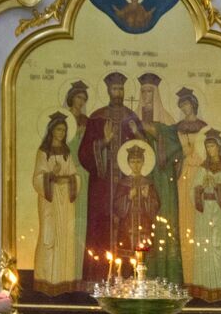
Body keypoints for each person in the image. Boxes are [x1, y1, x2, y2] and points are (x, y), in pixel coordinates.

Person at [79, 71, 143, 281]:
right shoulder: (97, 118)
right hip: (102, 186)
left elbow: (144, 151)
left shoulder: (131, 117)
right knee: (100, 229)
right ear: (108, 90)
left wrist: (138, 134)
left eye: (121, 89)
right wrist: (104, 142)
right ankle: (98, 278)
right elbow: (84, 153)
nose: (118, 92)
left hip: (126, 186)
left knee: (126, 228)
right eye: (115, 89)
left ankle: (127, 278)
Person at [137, 73, 183, 282]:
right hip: (142, 179)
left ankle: (166, 277)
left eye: (150, 91)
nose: (146, 95)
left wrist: (156, 132)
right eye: (143, 91)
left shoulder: (167, 120)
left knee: (164, 226)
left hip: (163, 181)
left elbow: (177, 151)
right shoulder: (134, 118)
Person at [32, 112, 80, 295]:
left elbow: (75, 175)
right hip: (50, 200)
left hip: (66, 199)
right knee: (49, 236)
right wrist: (51, 175)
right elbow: (37, 177)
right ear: (52, 130)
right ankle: (46, 281)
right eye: (59, 129)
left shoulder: (67, 152)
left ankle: (63, 281)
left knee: (65, 237)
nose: (61, 133)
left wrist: (70, 179)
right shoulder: (43, 152)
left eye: (64, 130)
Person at [189, 130, 221, 302]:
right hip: (204, 211)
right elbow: (193, 188)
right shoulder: (203, 168)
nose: (210, 150)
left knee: (217, 246)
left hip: (218, 210)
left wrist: (217, 187)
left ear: (219, 147)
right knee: (204, 246)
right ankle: (203, 289)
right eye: (207, 146)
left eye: (212, 146)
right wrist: (201, 188)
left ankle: (220, 289)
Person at [174, 87, 208, 281]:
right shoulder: (177, 127)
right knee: (184, 218)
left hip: (200, 173)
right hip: (183, 175)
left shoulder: (203, 127)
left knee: (198, 221)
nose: (185, 107)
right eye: (181, 105)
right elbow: (175, 153)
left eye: (187, 104)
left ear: (193, 104)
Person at [65, 80, 91, 275]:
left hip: (82, 171)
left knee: (80, 220)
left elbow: (91, 147)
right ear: (71, 98)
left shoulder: (86, 121)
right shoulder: (62, 119)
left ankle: (77, 271)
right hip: (65, 171)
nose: (80, 102)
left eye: (83, 98)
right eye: (78, 97)